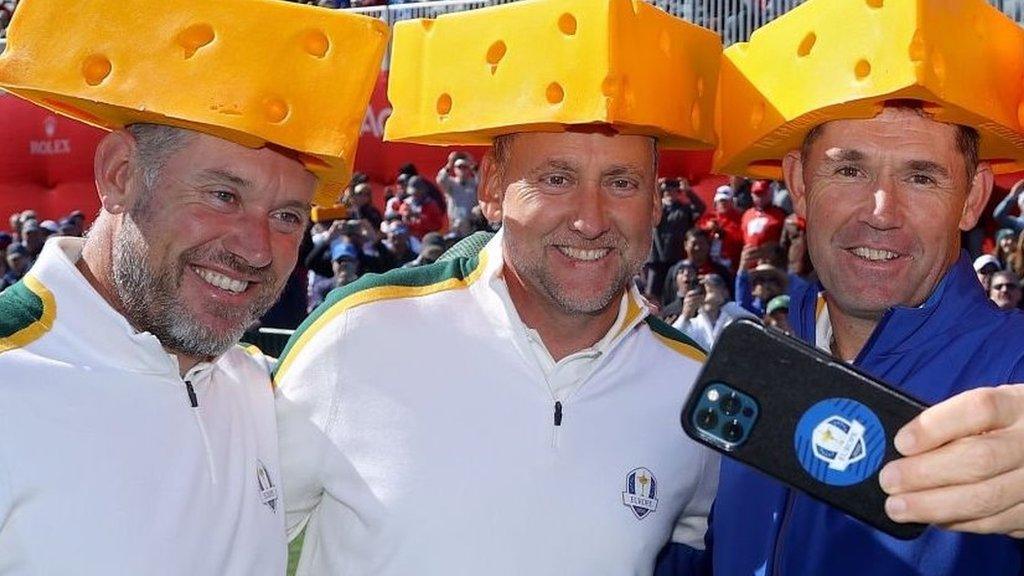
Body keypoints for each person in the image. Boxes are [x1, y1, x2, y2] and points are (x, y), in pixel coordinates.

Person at [275, 2, 722, 574]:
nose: (590, 217)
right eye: (555, 179)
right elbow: (226, 543)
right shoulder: (356, 334)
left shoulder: (692, 388)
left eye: (621, 182)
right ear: (491, 188)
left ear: (657, 201)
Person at [0, 0, 386, 573]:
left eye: (287, 216)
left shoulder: (254, 387)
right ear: (120, 176)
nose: (256, 249)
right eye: (223, 196)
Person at [704, 0, 1024, 573]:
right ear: (799, 182)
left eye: (920, 177)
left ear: (973, 198)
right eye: (849, 170)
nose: (881, 211)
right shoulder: (751, 378)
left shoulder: (1014, 375)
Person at [671, 273, 755, 351]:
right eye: (702, 288)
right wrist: (685, 316)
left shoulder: (734, 320)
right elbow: (671, 341)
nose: (705, 290)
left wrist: (725, 303)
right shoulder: (693, 324)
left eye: (710, 286)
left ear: (724, 291)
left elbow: (756, 326)